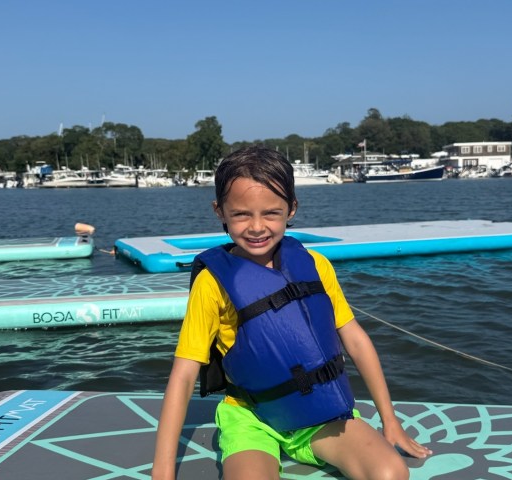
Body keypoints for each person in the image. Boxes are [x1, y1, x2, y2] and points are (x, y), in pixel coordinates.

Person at [151, 146, 431, 480]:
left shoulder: (315, 266)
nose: (257, 227)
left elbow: (355, 340)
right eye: (241, 214)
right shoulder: (213, 282)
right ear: (220, 211)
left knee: (391, 473)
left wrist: (390, 421)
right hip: (250, 417)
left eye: (271, 213)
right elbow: (183, 375)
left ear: (291, 208)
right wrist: (163, 471)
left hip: (318, 414)